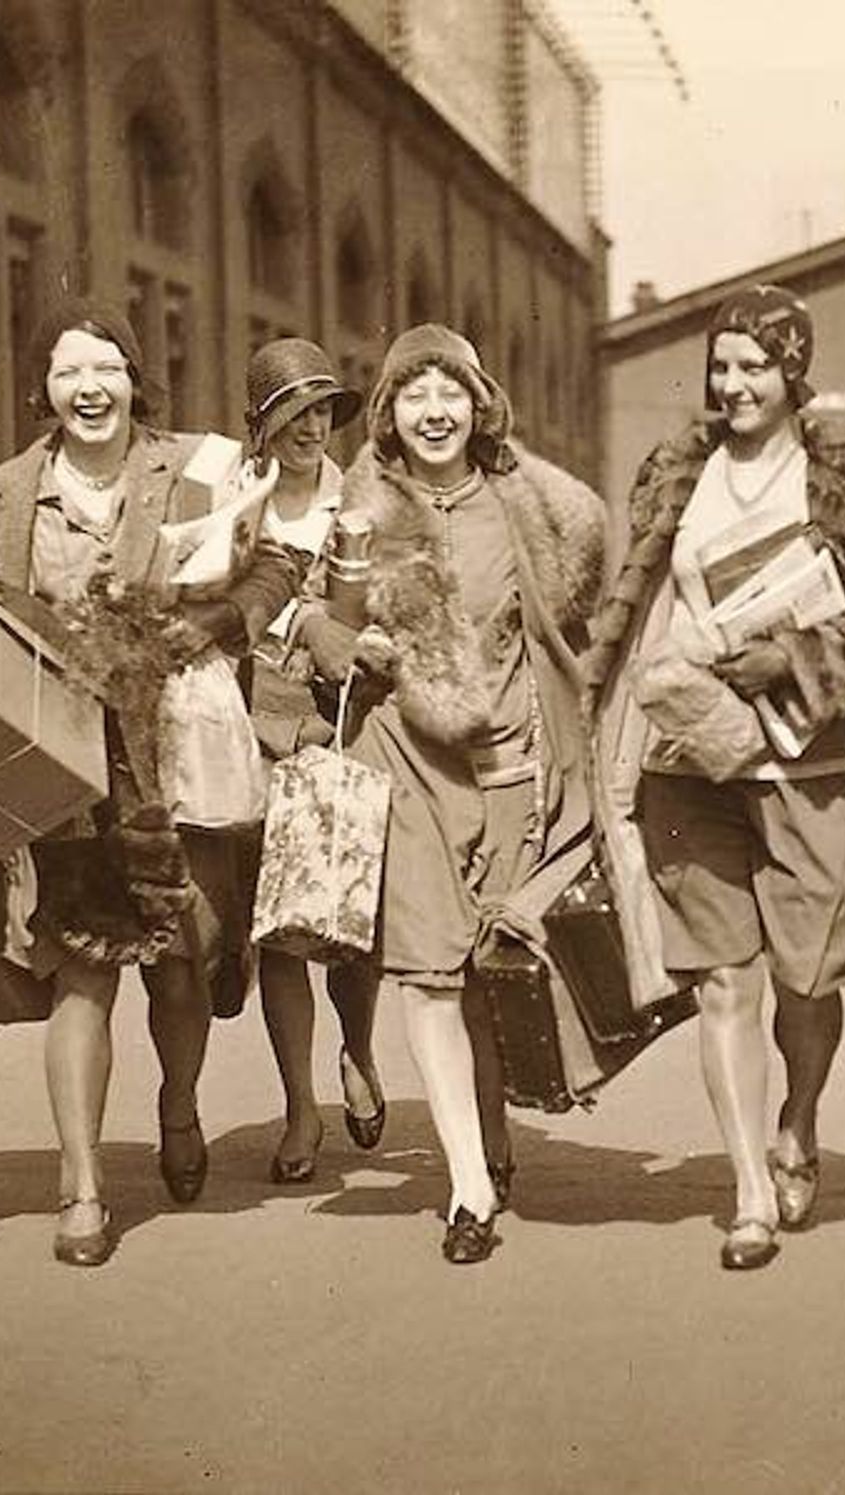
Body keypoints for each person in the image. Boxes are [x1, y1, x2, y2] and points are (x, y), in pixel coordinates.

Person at [585, 284, 845, 1271]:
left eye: (754, 365)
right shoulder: (678, 473)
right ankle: (749, 1191)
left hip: (805, 753)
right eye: (721, 367)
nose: (734, 385)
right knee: (724, 981)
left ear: (791, 369)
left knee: (808, 979)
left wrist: (793, 658)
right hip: (689, 756)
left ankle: (797, 1119)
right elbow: (635, 607)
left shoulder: (841, 476)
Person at [0, 299, 296, 1264]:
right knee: (82, 965)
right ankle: (80, 1189)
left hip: (181, 749)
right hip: (70, 753)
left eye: (106, 368)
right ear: (44, 388)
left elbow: (278, 561)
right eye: (70, 372)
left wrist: (218, 625)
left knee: (181, 956)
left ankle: (178, 1102)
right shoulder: (6, 487)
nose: (89, 389)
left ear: (133, 380)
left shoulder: (199, 463)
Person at [293, 324, 606, 1264]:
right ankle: (469, 1183)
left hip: (513, 759)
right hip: (406, 761)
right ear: (388, 414)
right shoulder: (365, 504)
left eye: (451, 393)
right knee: (428, 973)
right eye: (412, 395)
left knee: (490, 969)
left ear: (480, 405)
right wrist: (347, 642)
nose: (434, 412)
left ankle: (494, 1133)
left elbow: (577, 622)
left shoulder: (525, 505)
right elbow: (310, 610)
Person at [233, 336, 388, 1181]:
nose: (311, 427)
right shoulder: (235, 502)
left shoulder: (358, 499)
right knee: (281, 935)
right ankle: (300, 1106)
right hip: (254, 726)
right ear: (262, 425)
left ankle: (357, 1052)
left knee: (348, 926)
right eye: (292, 412)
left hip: (341, 722)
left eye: (322, 409)